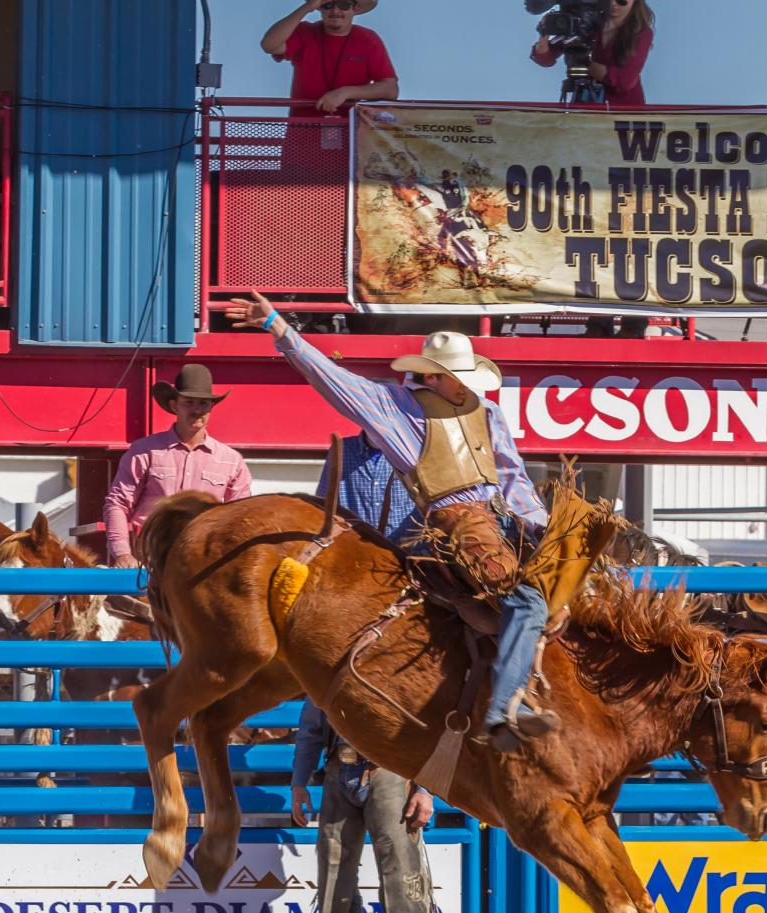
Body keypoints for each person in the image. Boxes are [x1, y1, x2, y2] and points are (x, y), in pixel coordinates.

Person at [226, 290, 555, 754]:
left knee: (570, 586)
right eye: (453, 377)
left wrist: (539, 527)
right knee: (526, 601)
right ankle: (503, 708)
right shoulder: (397, 409)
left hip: (501, 524)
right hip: (454, 527)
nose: (463, 386)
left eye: (463, 377)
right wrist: (278, 326)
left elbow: (512, 476)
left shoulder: (490, 413)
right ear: (431, 377)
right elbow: (333, 379)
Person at [290, 702, 445, 913]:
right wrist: (298, 782)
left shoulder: (393, 662)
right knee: (334, 879)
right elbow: (310, 730)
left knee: (401, 878)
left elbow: (428, 725)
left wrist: (425, 789)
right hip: (341, 769)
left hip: (390, 771)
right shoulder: (324, 668)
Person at [102, 365, 252, 569]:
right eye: (189, 402)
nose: (197, 410)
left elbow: (241, 517)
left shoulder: (231, 460)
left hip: (203, 561)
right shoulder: (144, 451)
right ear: (174, 406)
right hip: (150, 556)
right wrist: (123, 554)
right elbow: (118, 503)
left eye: (203, 403)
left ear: (211, 408)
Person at [261, 0, 399, 119]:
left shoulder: (367, 39)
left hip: (351, 133)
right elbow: (269, 45)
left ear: (354, 9)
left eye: (344, 5)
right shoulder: (305, 31)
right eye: (328, 5)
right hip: (303, 131)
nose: (335, 11)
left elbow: (390, 90)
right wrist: (306, 8)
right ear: (319, 8)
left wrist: (346, 92)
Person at [531, 0, 654, 106]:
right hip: (585, 107)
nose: (614, 4)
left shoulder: (641, 33)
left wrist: (585, 64)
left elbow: (624, 80)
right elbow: (544, 58)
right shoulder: (587, 24)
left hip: (623, 114)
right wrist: (544, 33)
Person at [320, 429, 420, 543]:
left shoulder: (414, 451)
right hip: (357, 548)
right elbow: (324, 503)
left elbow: (430, 503)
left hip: (404, 549)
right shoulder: (342, 449)